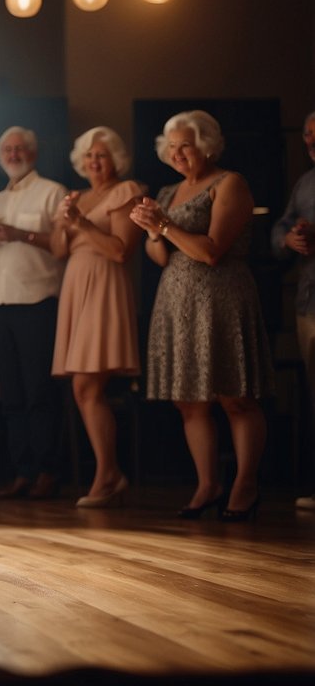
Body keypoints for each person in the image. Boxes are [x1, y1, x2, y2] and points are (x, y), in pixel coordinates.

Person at [130, 110, 272, 521]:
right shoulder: (170, 190)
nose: (177, 153)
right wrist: (155, 232)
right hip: (177, 301)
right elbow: (158, 256)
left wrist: (164, 226)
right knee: (188, 401)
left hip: (222, 298)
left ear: (207, 144)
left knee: (236, 396)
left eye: (186, 145)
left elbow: (211, 251)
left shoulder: (230, 183)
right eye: (171, 146)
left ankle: (245, 485)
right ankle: (207, 484)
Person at [49, 127, 144, 508]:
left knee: (88, 387)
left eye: (101, 155)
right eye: (89, 155)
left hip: (105, 285)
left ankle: (108, 474)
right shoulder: (80, 196)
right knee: (83, 388)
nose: (94, 161)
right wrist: (64, 220)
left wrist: (84, 223)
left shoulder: (127, 191)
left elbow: (122, 250)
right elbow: (58, 249)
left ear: (116, 159)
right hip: (76, 285)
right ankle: (110, 473)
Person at [0, 126, 67, 500]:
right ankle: (22, 471)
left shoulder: (52, 192)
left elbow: (62, 247)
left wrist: (20, 234)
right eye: (8, 149)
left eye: (20, 148)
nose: (14, 154)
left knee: (38, 392)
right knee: (12, 394)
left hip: (38, 301)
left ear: (32, 153)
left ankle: (49, 470)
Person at [272, 111, 315, 511]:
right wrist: (290, 238)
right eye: (306, 136)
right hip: (309, 302)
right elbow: (279, 228)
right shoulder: (305, 184)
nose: (311, 142)